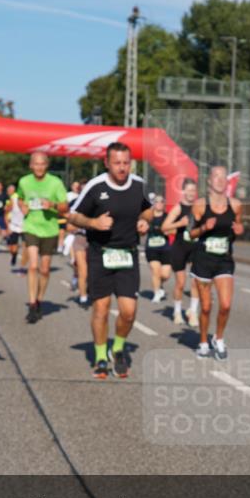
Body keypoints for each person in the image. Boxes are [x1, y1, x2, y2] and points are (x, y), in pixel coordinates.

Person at [68, 142, 153, 379]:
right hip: (100, 253)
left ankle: (117, 349)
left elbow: (149, 209)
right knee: (101, 309)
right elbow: (73, 215)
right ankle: (100, 356)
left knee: (128, 311)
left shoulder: (138, 186)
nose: (122, 168)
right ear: (107, 163)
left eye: (126, 163)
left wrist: (145, 220)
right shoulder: (96, 187)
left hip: (127, 254)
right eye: (117, 163)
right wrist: (93, 223)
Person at [188, 168, 244, 359]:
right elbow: (191, 233)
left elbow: (235, 230)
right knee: (205, 307)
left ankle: (218, 339)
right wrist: (204, 227)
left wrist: (238, 231)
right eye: (216, 177)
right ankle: (203, 341)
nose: (220, 180)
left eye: (223, 177)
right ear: (209, 181)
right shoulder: (200, 205)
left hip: (224, 260)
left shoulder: (235, 205)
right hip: (203, 260)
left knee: (226, 305)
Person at [16, 152, 68, 323]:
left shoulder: (55, 183)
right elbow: (20, 198)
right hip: (31, 226)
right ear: (31, 165)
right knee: (32, 266)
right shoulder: (24, 181)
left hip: (50, 229)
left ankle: (39, 300)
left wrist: (52, 204)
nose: (39, 167)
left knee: (44, 269)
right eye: (35, 164)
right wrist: (22, 207)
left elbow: (65, 206)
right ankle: (31, 304)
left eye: (42, 164)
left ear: (47, 165)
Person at [161, 177, 200, 326]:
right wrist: (180, 223)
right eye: (188, 190)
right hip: (180, 247)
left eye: (193, 190)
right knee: (181, 283)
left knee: (196, 281)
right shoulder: (178, 208)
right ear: (183, 191)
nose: (191, 193)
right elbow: (165, 227)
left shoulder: (199, 206)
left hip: (195, 247)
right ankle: (177, 312)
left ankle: (193, 312)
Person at [65, 181, 89, 306]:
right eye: (83, 191)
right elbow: (68, 227)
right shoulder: (74, 204)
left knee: (93, 271)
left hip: (96, 241)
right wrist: (81, 227)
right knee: (82, 269)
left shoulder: (100, 203)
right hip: (80, 239)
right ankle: (83, 297)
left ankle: (87, 288)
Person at [145, 193, 172, 302]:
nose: (159, 203)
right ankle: (156, 293)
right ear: (153, 203)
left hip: (165, 248)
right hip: (151, 248)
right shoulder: (148, 216)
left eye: (161, 201)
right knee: (155, 270)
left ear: (164, 204)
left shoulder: (168, 217)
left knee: (165, 275)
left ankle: (159, 284)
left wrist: (167, 230)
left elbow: (173, 230)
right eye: (156, 201)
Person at [4, 184, 26, 272]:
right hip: (14, 226)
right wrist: (7, 226)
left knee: (27, 247)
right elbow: (6, 213)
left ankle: (22, 266)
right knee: (13, 248)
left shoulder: (29, 199)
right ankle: (14, 255)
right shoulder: (13, 199)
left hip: (26, 227)